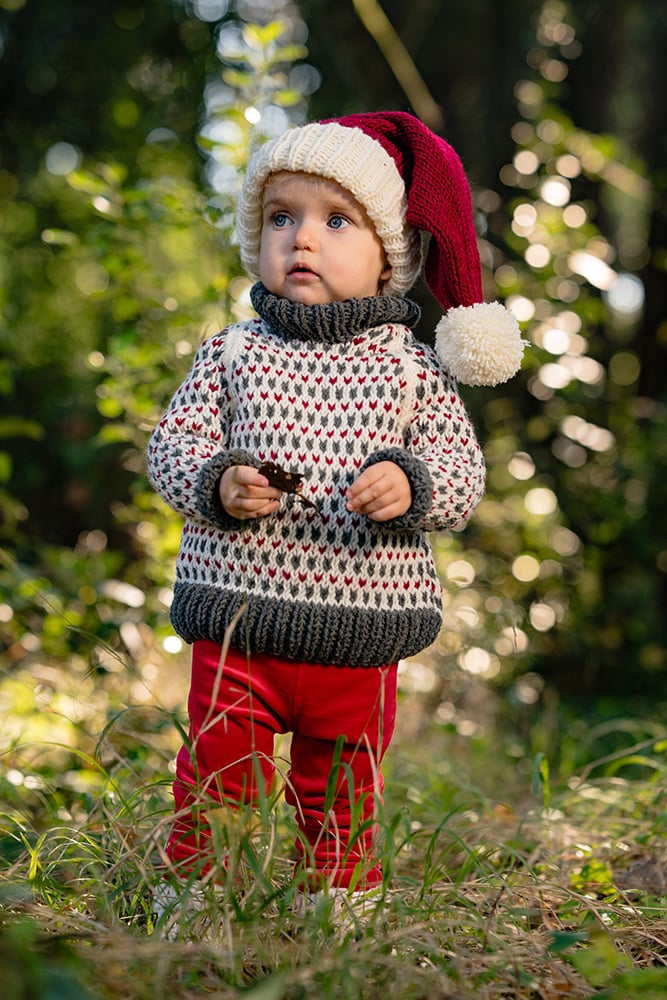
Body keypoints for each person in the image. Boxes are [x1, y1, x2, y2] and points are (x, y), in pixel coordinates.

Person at [146, 110, 524, 924]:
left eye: (335, 219)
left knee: (342, 780)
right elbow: (171, 446)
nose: (302, 240)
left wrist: (409, 483)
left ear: (390, 255)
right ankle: (202, 897)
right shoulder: (232, 353)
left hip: (359, 628)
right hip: (238, 619)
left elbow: (461, 475)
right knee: (218, 771)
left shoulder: (413, 371)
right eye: (281, 216)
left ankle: (338, 901)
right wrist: (218, 482)